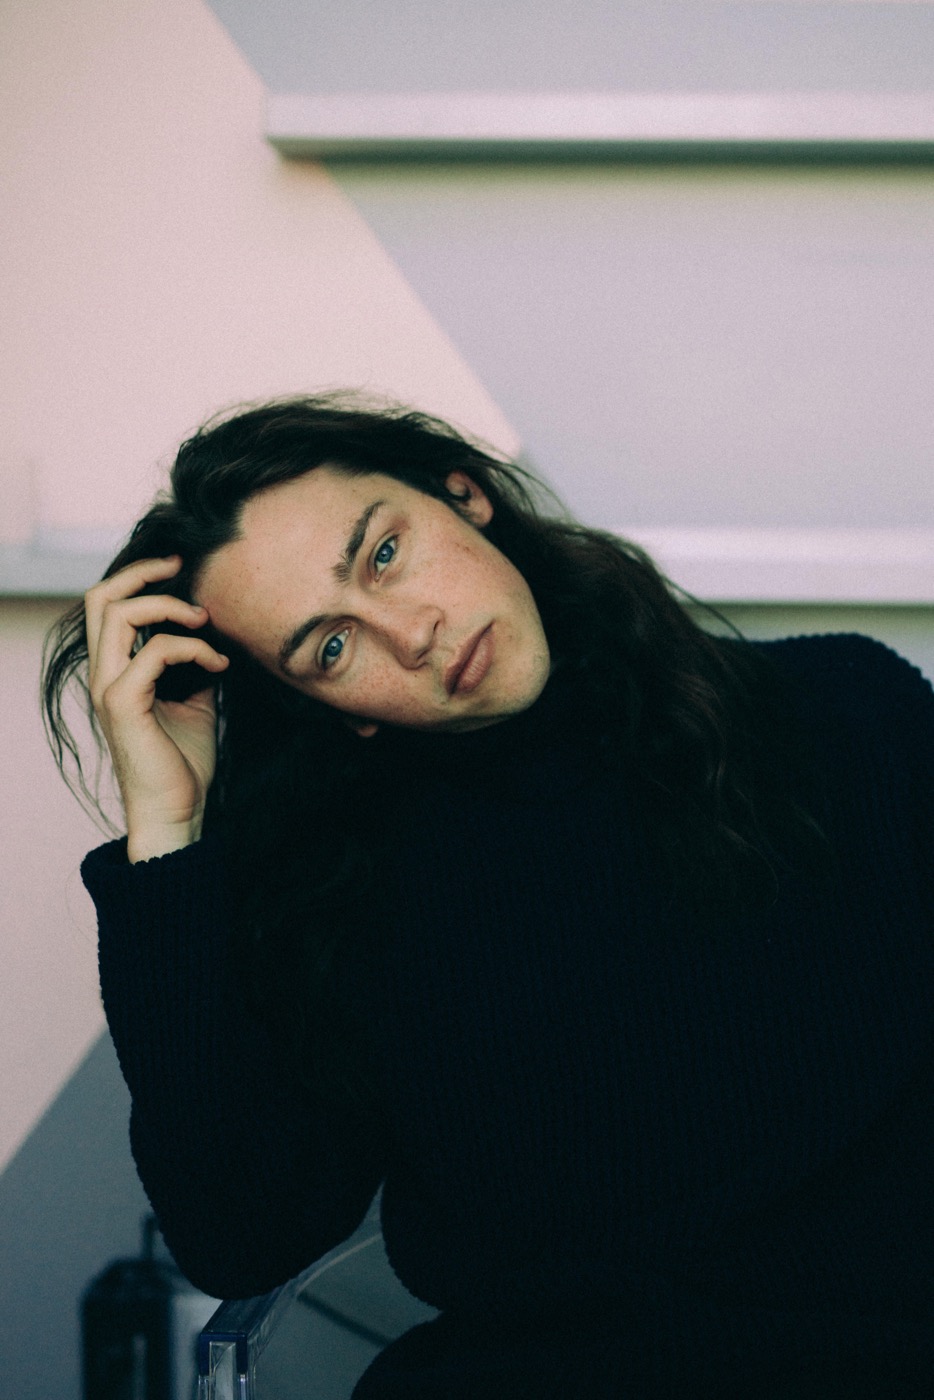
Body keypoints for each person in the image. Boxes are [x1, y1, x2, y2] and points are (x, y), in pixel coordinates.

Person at [43, 394, 934, 1400]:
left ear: (464, 496)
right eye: (330, 648)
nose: (409, 633)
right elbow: (243, 1236)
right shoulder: (335, 893)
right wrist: (167, 835)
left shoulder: (846, 714)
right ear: (333, 710)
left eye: (383, 554)